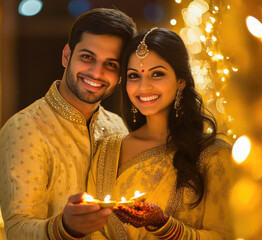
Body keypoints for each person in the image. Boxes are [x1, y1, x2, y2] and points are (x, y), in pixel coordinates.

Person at [0, 8, 137, 240]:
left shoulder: (117, 127)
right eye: (87, 57)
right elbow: (17, 230)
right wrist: (65, 227)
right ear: (66, 55)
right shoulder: (25, 128)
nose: (96, 72)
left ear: (121, 75)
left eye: (110, 64)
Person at [87, 28, 235, 239]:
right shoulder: (108, 150)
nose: (143, 86)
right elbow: (92, 230)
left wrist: (166, 226)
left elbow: (227, 235)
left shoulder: (214, 156)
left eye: (157, 74)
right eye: (133, 76)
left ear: (181, 81)